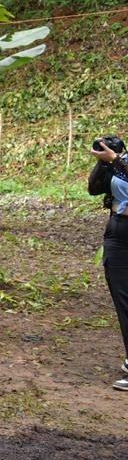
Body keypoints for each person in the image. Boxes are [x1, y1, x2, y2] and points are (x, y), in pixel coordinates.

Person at [89, 137, 128, 390]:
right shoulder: (123, 160)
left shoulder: (120, 162)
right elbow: (94, 189)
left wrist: (114, 161)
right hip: (119, 231)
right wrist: (102, 163)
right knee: (124, 300)